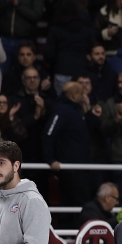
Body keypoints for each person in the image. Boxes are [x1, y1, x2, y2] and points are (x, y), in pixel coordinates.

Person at [44, 82, 94, 212]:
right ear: (73, 95)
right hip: (71, 168)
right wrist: (50, 159)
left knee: (77, 205)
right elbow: (48, 133)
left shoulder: (75, 110)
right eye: (81, 93)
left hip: (80, 166)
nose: (84, 96)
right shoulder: (62, 110)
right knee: (77, 204)